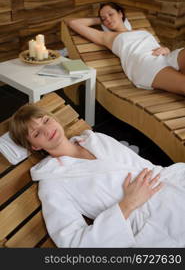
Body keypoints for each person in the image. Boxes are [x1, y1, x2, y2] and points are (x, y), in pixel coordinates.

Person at [9, 103, 185, 248]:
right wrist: (127, 204)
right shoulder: (52, 183)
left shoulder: (97, 139)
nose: (47, 130)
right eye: (36, 133)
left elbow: (145, 166)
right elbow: (73, 242)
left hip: (171, 186)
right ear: (35, 146)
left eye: (46, 120)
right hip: (157, 225)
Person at [66, 2, 185, 95]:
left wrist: (166, 49)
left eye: (110, 14)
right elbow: (73, 23)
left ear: (120, 14)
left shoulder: (141, 31)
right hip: (145, 64)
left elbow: (154, 46)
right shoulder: (107, 37)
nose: (107, 19)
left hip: (165, 57)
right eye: (104, 18)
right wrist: (98, 20)